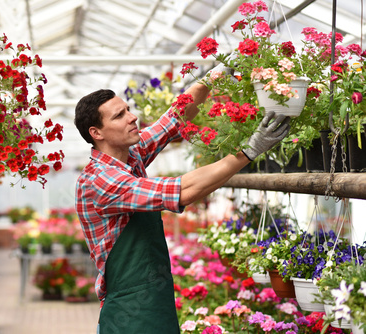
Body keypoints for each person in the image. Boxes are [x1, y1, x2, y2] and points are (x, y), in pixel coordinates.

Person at [74, 65, 291, 334]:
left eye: (128, 109)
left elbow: (173, 119)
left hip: (155, 299)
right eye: (120, 115)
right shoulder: (100, 180)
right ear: (97, 133)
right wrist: (248, 152)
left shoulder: (130, 156)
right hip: (129, 312)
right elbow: (183, 191)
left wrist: (213, 76)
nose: (133, 117)